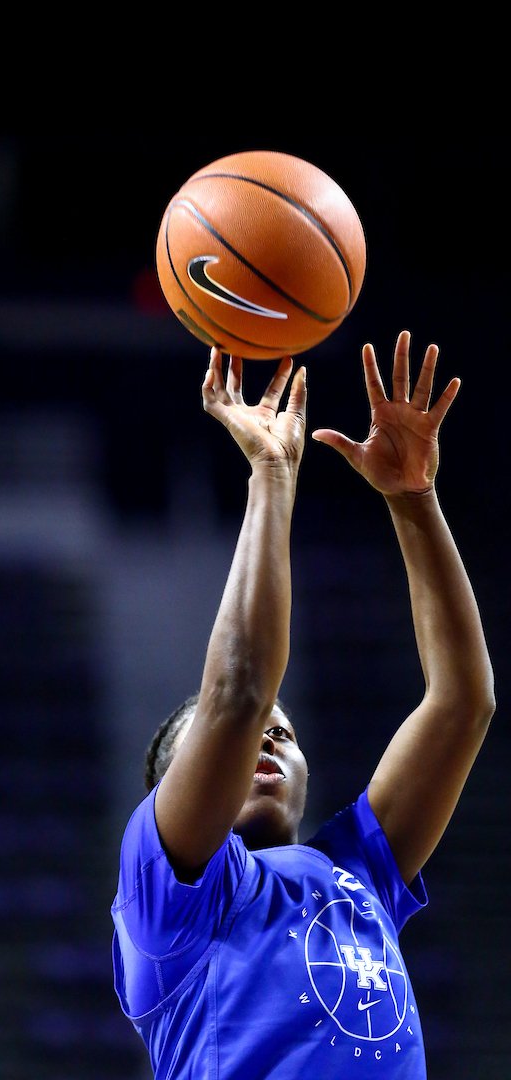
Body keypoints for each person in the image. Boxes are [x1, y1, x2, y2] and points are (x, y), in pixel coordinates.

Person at [111, 332, 494, 1078]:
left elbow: (462, 702)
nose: (268, 739)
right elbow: (241, 690)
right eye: (249, 734)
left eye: (282, 732)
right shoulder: (167, 900)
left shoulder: (357, 871)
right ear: (173, 791)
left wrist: (414, 501)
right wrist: (272, 472)